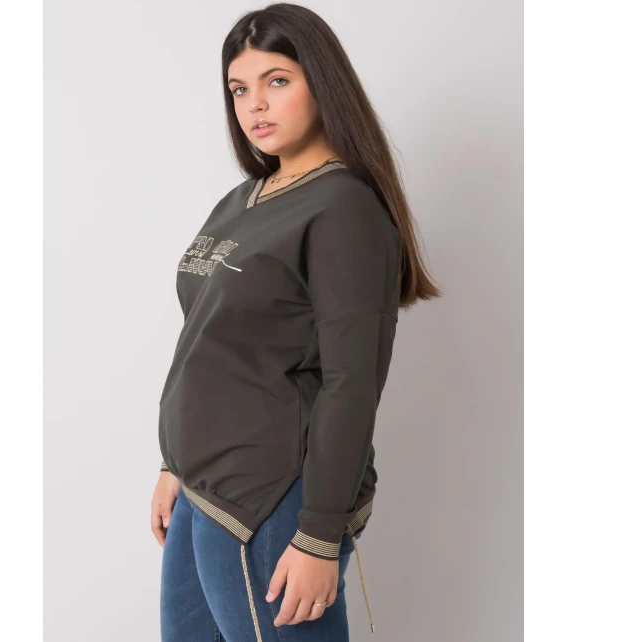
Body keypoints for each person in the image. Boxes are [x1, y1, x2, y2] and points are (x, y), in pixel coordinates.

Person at [150, 3, 441, 640]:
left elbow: (352, 382)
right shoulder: (240, 200)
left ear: (322, 82)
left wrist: (318, 534)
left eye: (277, 80)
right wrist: (174, 463)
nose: (254, 104)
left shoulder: (343, 208)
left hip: (270, 495)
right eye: (239, 88)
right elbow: (207, 338)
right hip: (203, 486)